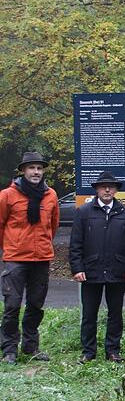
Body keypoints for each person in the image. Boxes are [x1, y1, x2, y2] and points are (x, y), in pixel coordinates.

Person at [69, 171, 125, 363]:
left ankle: (113, 351)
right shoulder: (84, 212)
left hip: (117, 270)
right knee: (89, 314)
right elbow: (76, 243)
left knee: (115, 313)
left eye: (111, 186)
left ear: (116, 190)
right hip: (91, 271)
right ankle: (88, 352)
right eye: (103, 186)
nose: (107, 190)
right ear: (97, 189)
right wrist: (77, 268)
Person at [0, 152, 59, 365]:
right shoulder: (7, 195)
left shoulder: (50, 195)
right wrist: (9, 247)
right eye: (32, 168)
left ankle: (30, 346)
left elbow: (53, 225)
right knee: (12, 305)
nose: (36, 172)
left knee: (36, 304)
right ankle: (9, 350)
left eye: (39, 168)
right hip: (15, 259)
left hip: (41, 258)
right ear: (23, 171)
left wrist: (42, 245)